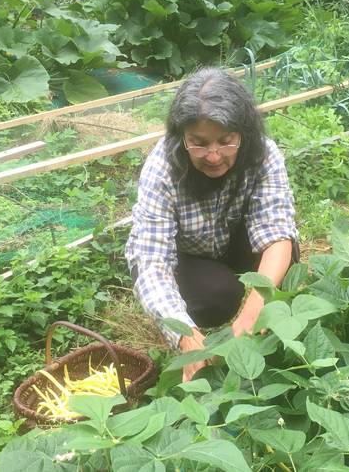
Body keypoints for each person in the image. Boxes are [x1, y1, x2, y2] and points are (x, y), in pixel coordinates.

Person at [125, 67, 299, 382]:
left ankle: (267, 326)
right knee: (215, 297)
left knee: (287, 257)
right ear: (182, 137)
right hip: (190, 255)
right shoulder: (162, 169)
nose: (214, 156)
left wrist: (255, 306)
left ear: (243, 133)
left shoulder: (262, 155)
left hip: (235, 239)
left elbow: (276, 232)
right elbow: (151, 262)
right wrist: (185, 337)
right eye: (199, 143)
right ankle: (201, 324)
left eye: (226, 141)